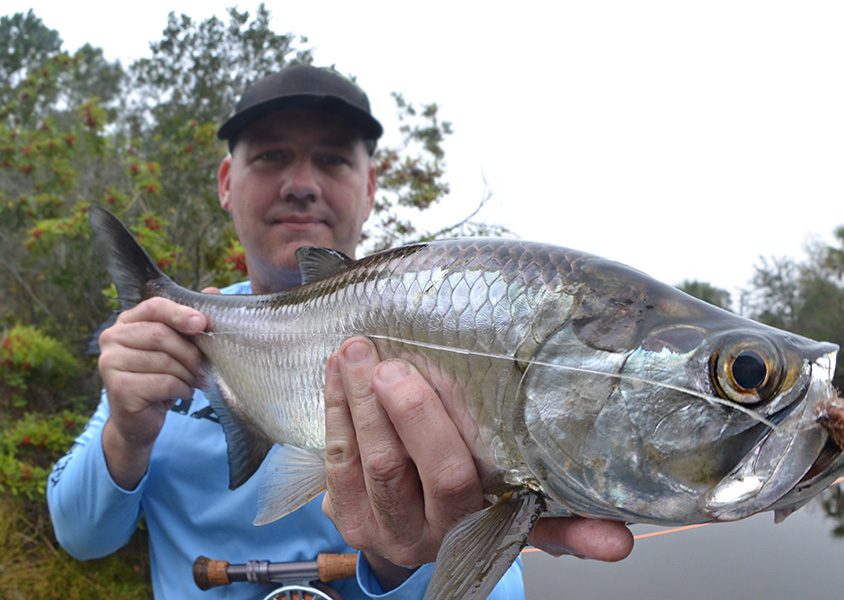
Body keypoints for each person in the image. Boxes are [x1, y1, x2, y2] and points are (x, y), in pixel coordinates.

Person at [47, 64, 633, 599]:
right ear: (227, 181)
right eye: (271, 156)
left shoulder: (456, 336)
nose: (302, 183)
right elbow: (82, 538)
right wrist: (126, 435)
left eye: (332, 160)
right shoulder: (166, 340)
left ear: (370, 188)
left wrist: (406, 564)